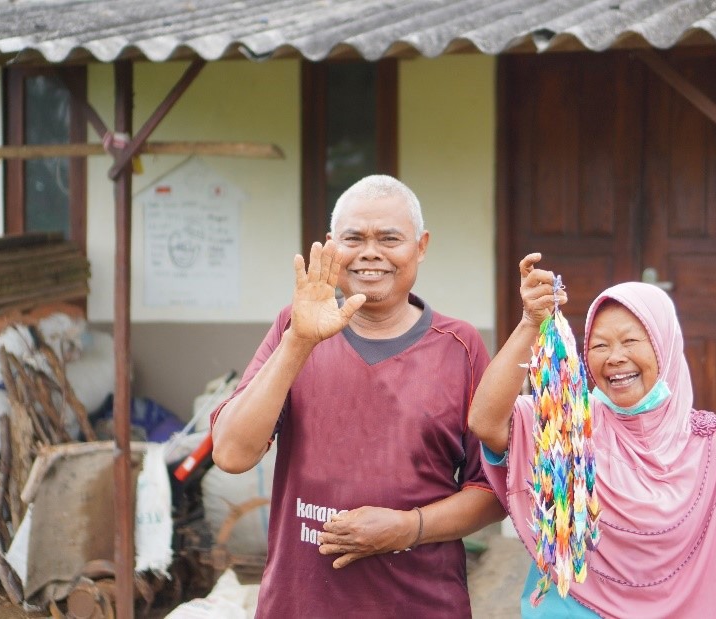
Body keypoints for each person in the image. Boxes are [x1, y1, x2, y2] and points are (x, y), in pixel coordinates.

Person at [211, 175, 506, 618]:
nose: (371, 252)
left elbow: (493, 489)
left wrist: (410, 527)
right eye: (354, 238)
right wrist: (299, 343)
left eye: (390, 238)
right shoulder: (294, 329)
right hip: (302, 603)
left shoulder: (460, 347)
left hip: (421, 604)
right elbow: (231, 453)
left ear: (421, 247)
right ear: (331, 247)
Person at [468, 253, 716, 618]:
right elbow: (485, 423)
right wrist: (529, 324)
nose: (614, 358)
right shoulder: (567, 428)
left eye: (631, 341)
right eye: (599, 346)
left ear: (664, 346)